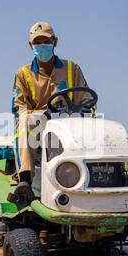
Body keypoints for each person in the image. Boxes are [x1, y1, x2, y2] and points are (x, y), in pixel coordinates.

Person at [11, 21, 89, 200]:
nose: (41, 46)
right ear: (31, 46)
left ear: (55, 42)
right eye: (37, 43)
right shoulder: (23, 74)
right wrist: (41, 115)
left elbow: (86, 99)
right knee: (25, 120)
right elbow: (19, 108)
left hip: (70, 119)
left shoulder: (72, 69)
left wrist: (81, 111)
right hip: (40, 124)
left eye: (45, 41)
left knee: (97, 124)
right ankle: (25, 180)